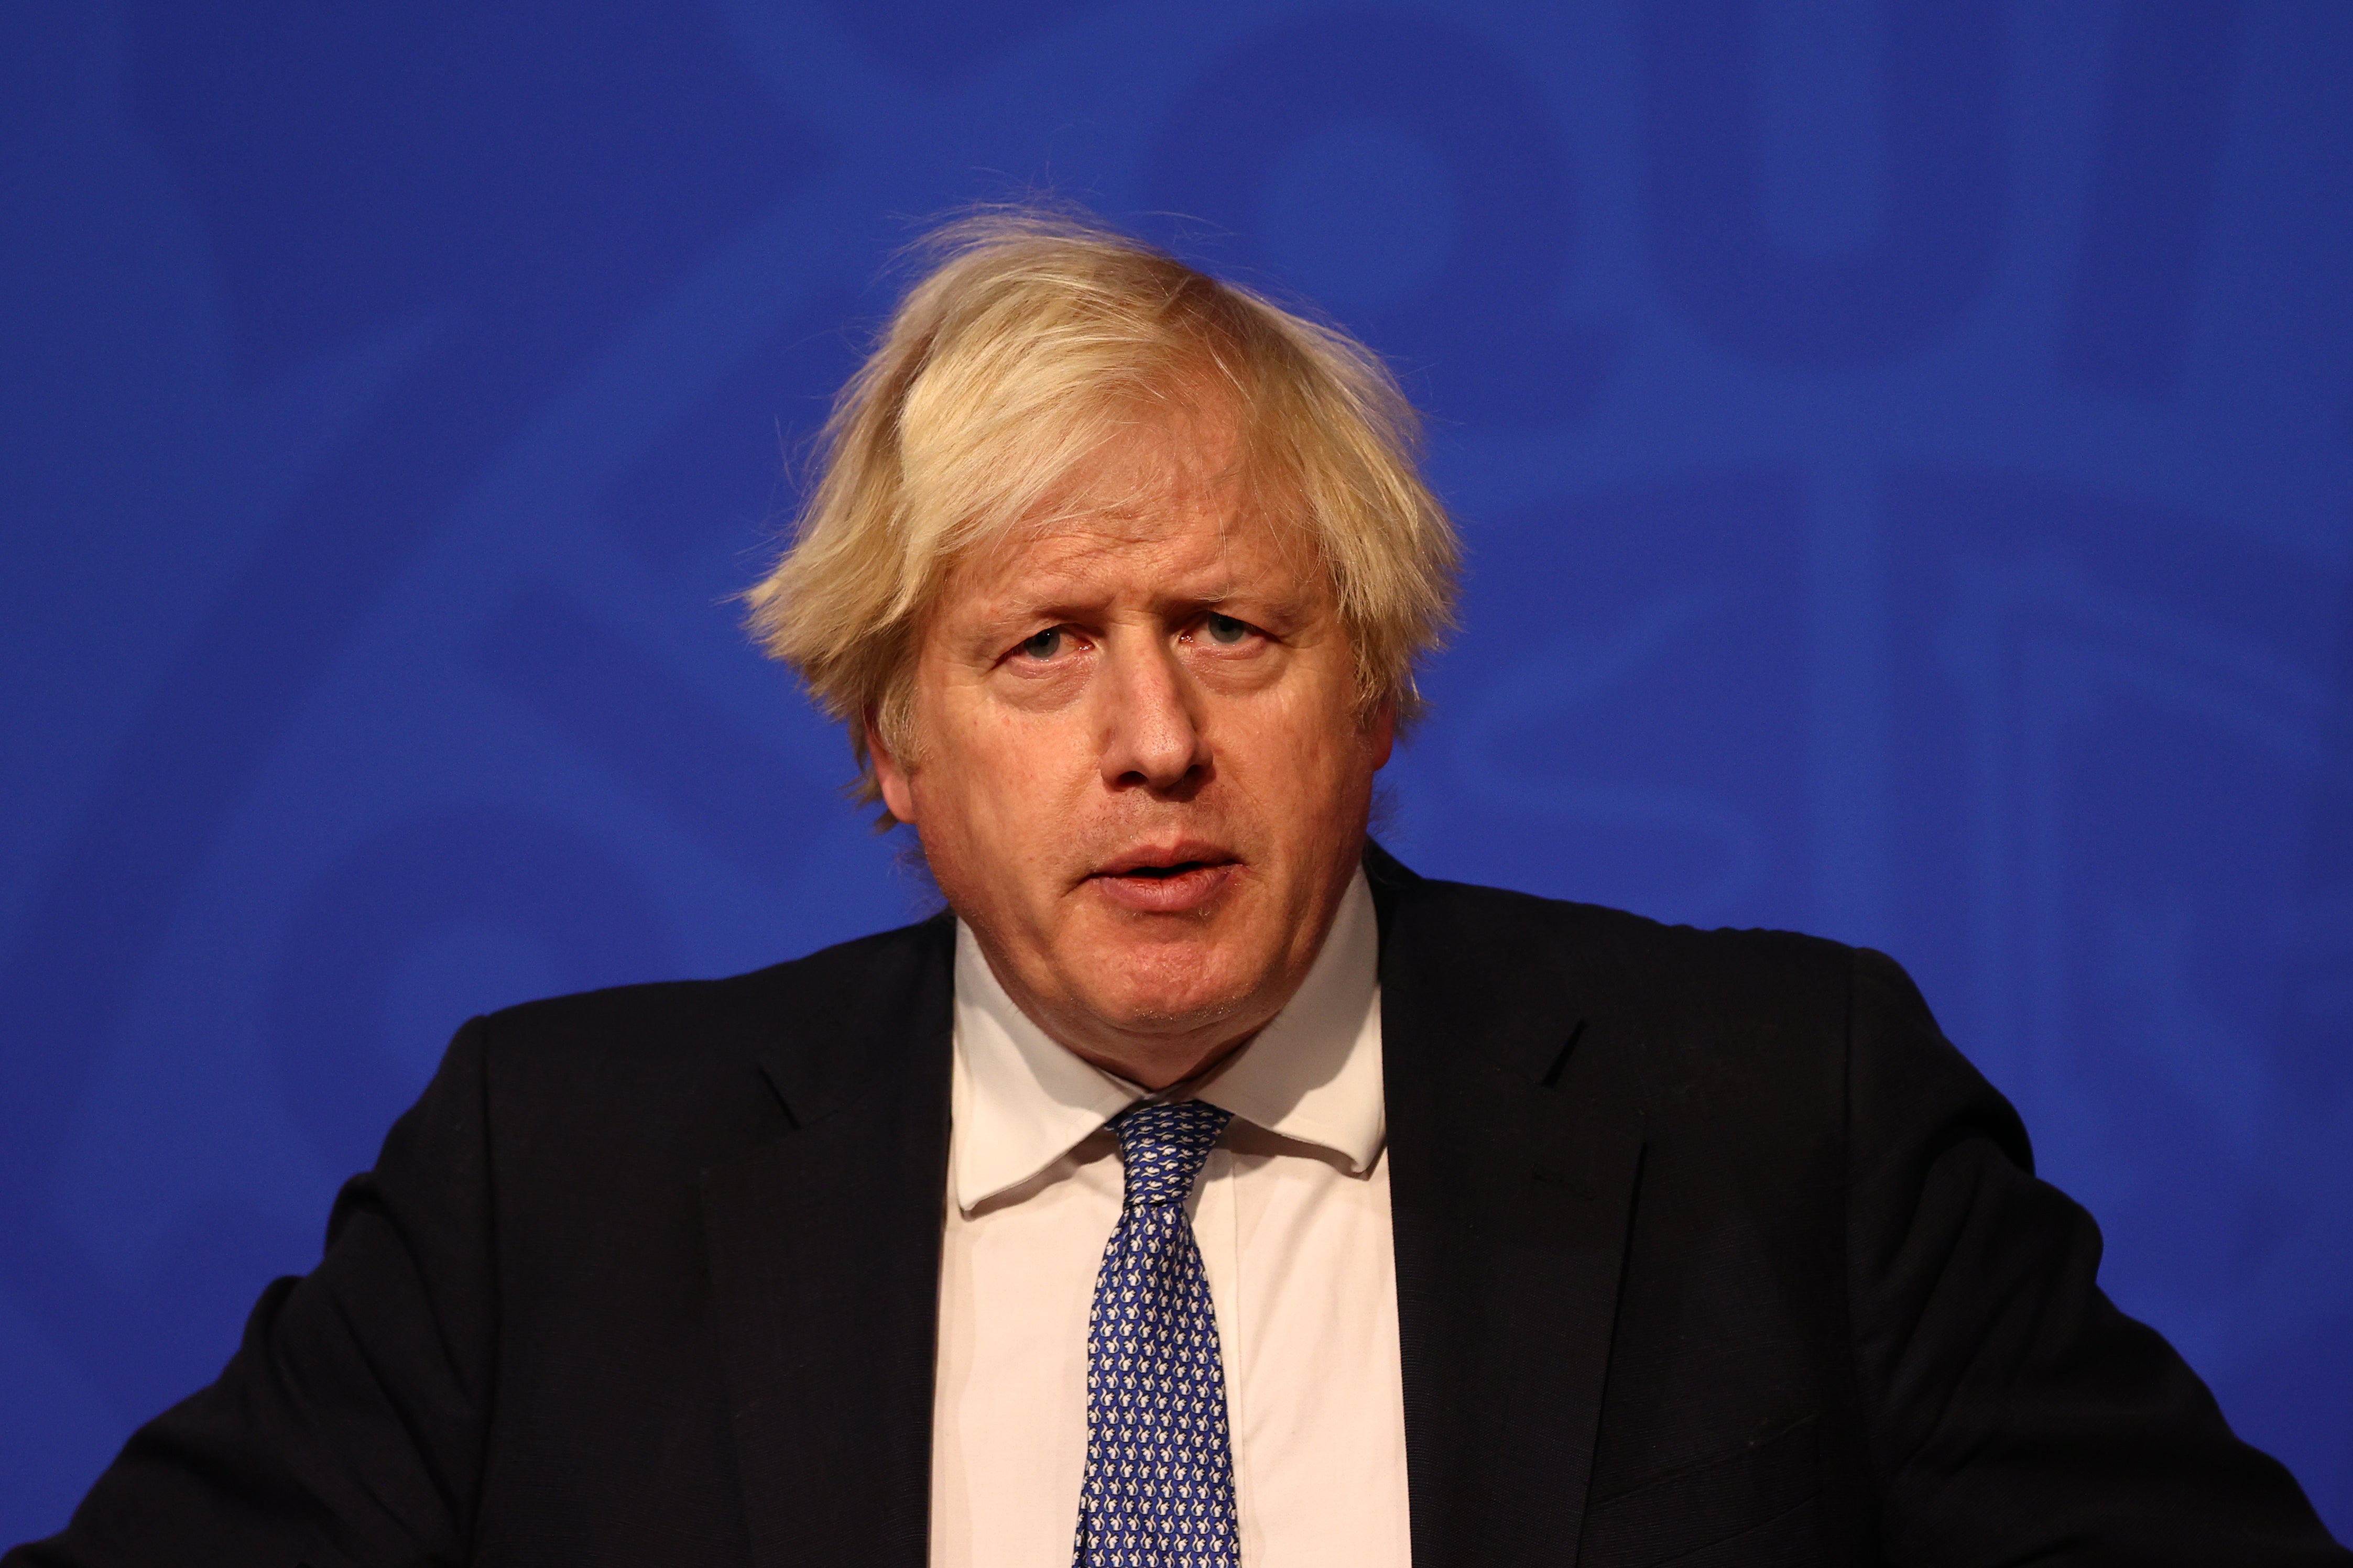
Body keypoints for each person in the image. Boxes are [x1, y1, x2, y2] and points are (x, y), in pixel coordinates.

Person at [9, 207, 2346, 1568]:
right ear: (888, 747)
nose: (1152, 736)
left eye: (1230, 627)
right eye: (1042, 646)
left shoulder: (1785, 1113)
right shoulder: (558, 1181)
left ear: (1378, 691)